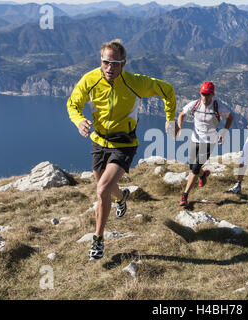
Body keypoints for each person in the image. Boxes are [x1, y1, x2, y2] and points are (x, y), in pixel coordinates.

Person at [67, 39, 178, 261]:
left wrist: (170, 119)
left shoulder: (135, 82)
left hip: (124, 143)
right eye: (105, 62)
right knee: (105, 187)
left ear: (123, 63)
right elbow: (73, 103)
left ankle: (98, 240)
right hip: (99, 141)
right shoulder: (90, 79)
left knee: (101, 190)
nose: (109, 68)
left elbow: (168, 90)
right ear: (101, 60)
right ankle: (122, 197)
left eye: (115, 63)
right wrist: (79, 121)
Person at [176, 81, 233, 207]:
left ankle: (185, 196)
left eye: (207, 94)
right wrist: (180, 127)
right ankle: (204, 174)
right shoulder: (195, 104)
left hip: (209, 141)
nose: (205, 97)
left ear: (212, 94)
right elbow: (181, 115)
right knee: (192, 166)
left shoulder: (218, 107)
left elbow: (230, 117)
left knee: (195, 168)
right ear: (200, 93)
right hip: (195, 139)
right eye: (203, 94)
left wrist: (224, 131)